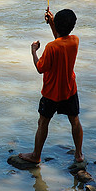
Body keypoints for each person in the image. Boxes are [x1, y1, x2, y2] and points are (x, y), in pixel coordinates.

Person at [19, 9, 84, 164]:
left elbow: (40, 68)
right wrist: (53, 24)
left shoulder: (50, 47)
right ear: (72, 27)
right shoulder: (75, 40)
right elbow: (60, 40)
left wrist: (33, 52)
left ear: (58, 25)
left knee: (43, 122)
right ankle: (79, 154)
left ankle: (36, 156)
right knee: (74, 120)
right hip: (69, 89)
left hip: (51, 92)